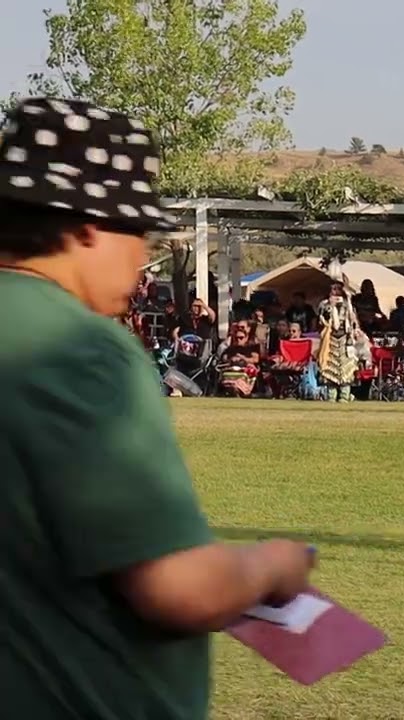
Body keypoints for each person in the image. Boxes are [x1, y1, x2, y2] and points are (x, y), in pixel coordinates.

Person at [0, 97, 314, 719]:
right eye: (137, 231)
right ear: (88, 223)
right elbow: (181, 591)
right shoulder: (79, 347)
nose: (141, 256)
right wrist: (270, 565)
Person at [317, 281, 360, 402]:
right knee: (329, 367)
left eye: (338, 289)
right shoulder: (324, 305)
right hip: (330, 339)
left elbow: (353, 321)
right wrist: (330, 306)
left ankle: (344, 395)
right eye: (333, 289)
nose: (335, 292)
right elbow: (321, 320)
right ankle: (331, 395)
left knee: (347, 368)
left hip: (345, 340)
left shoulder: (348, 305)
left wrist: (349, 301)